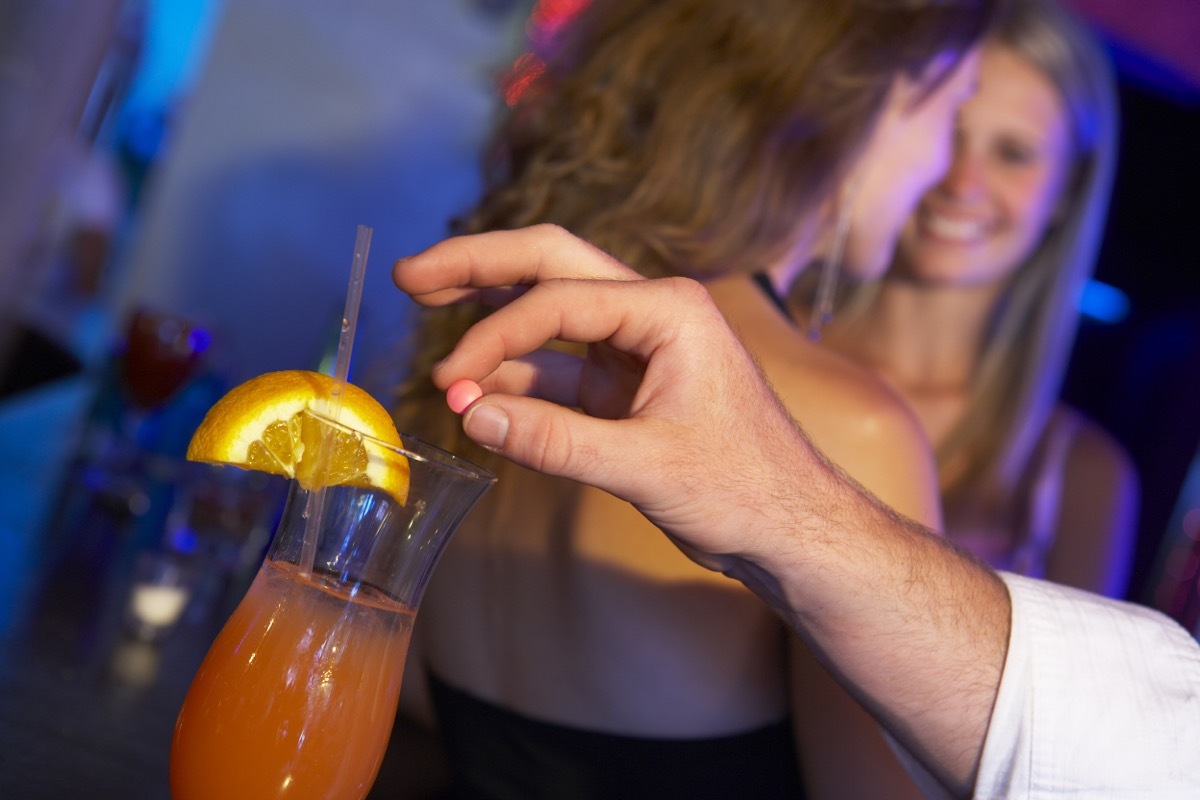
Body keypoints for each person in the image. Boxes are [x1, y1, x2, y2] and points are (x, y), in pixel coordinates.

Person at [391, 0, 997, 796]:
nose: (946, 172)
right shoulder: (845, 429)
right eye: (951, 112)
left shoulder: (493, 347)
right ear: (859, 103)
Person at [391, 224, 1200, 799]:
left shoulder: (1066, 466)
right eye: (952, 118)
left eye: (1012, 148)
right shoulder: (837, 412)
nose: (959, 175)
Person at [791, 0, 1138, 597]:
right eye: (950, 130)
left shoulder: (1080, 477)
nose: (961, 183)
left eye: (1012, 154)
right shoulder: (764, 343)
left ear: (1066, 192)